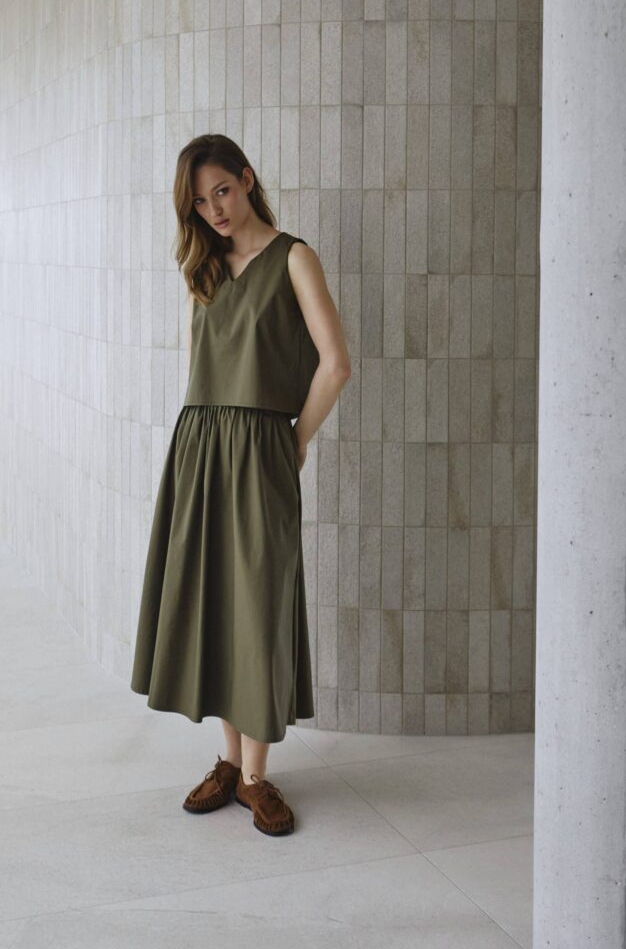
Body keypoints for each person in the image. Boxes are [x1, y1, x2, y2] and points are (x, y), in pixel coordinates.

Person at [130, 133, 351, 836]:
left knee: (258, 604)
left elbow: (336, 363)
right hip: (199, 448)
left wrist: (295, 440)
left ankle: (256, 776)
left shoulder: (293, 257)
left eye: (222, 190)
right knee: (214, 601)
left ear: (248, 179)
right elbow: (202, 366)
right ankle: (229, 762)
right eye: (200, 201)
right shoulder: (203, 267)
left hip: (260, 451)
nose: (214, 209)